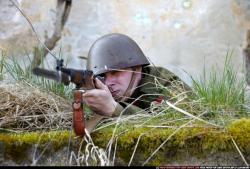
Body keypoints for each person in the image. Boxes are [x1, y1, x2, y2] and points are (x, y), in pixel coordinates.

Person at [82, 33, 191, 122]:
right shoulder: (99, 93)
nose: (108, 83)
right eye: (102, 76)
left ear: (136, 68)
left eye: (115, 72)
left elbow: (184, 124)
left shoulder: (164, 83)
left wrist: (114, 110)